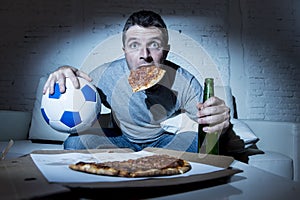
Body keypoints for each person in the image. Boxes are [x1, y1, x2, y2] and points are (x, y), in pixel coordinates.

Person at [43, 10, 248, 162]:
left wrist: (220, 122)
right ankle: (133, 159)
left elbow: (209, 128)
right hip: (121, 140)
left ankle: (139, 160)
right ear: (124, 50)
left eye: (154, 45)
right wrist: (65, 72)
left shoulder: (183, 81)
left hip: (162, 143)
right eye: (134, 45)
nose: (145, 55)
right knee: (73, 143)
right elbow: (76, 90)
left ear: (166, 52)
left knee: (202, 147)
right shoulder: (106, 75)